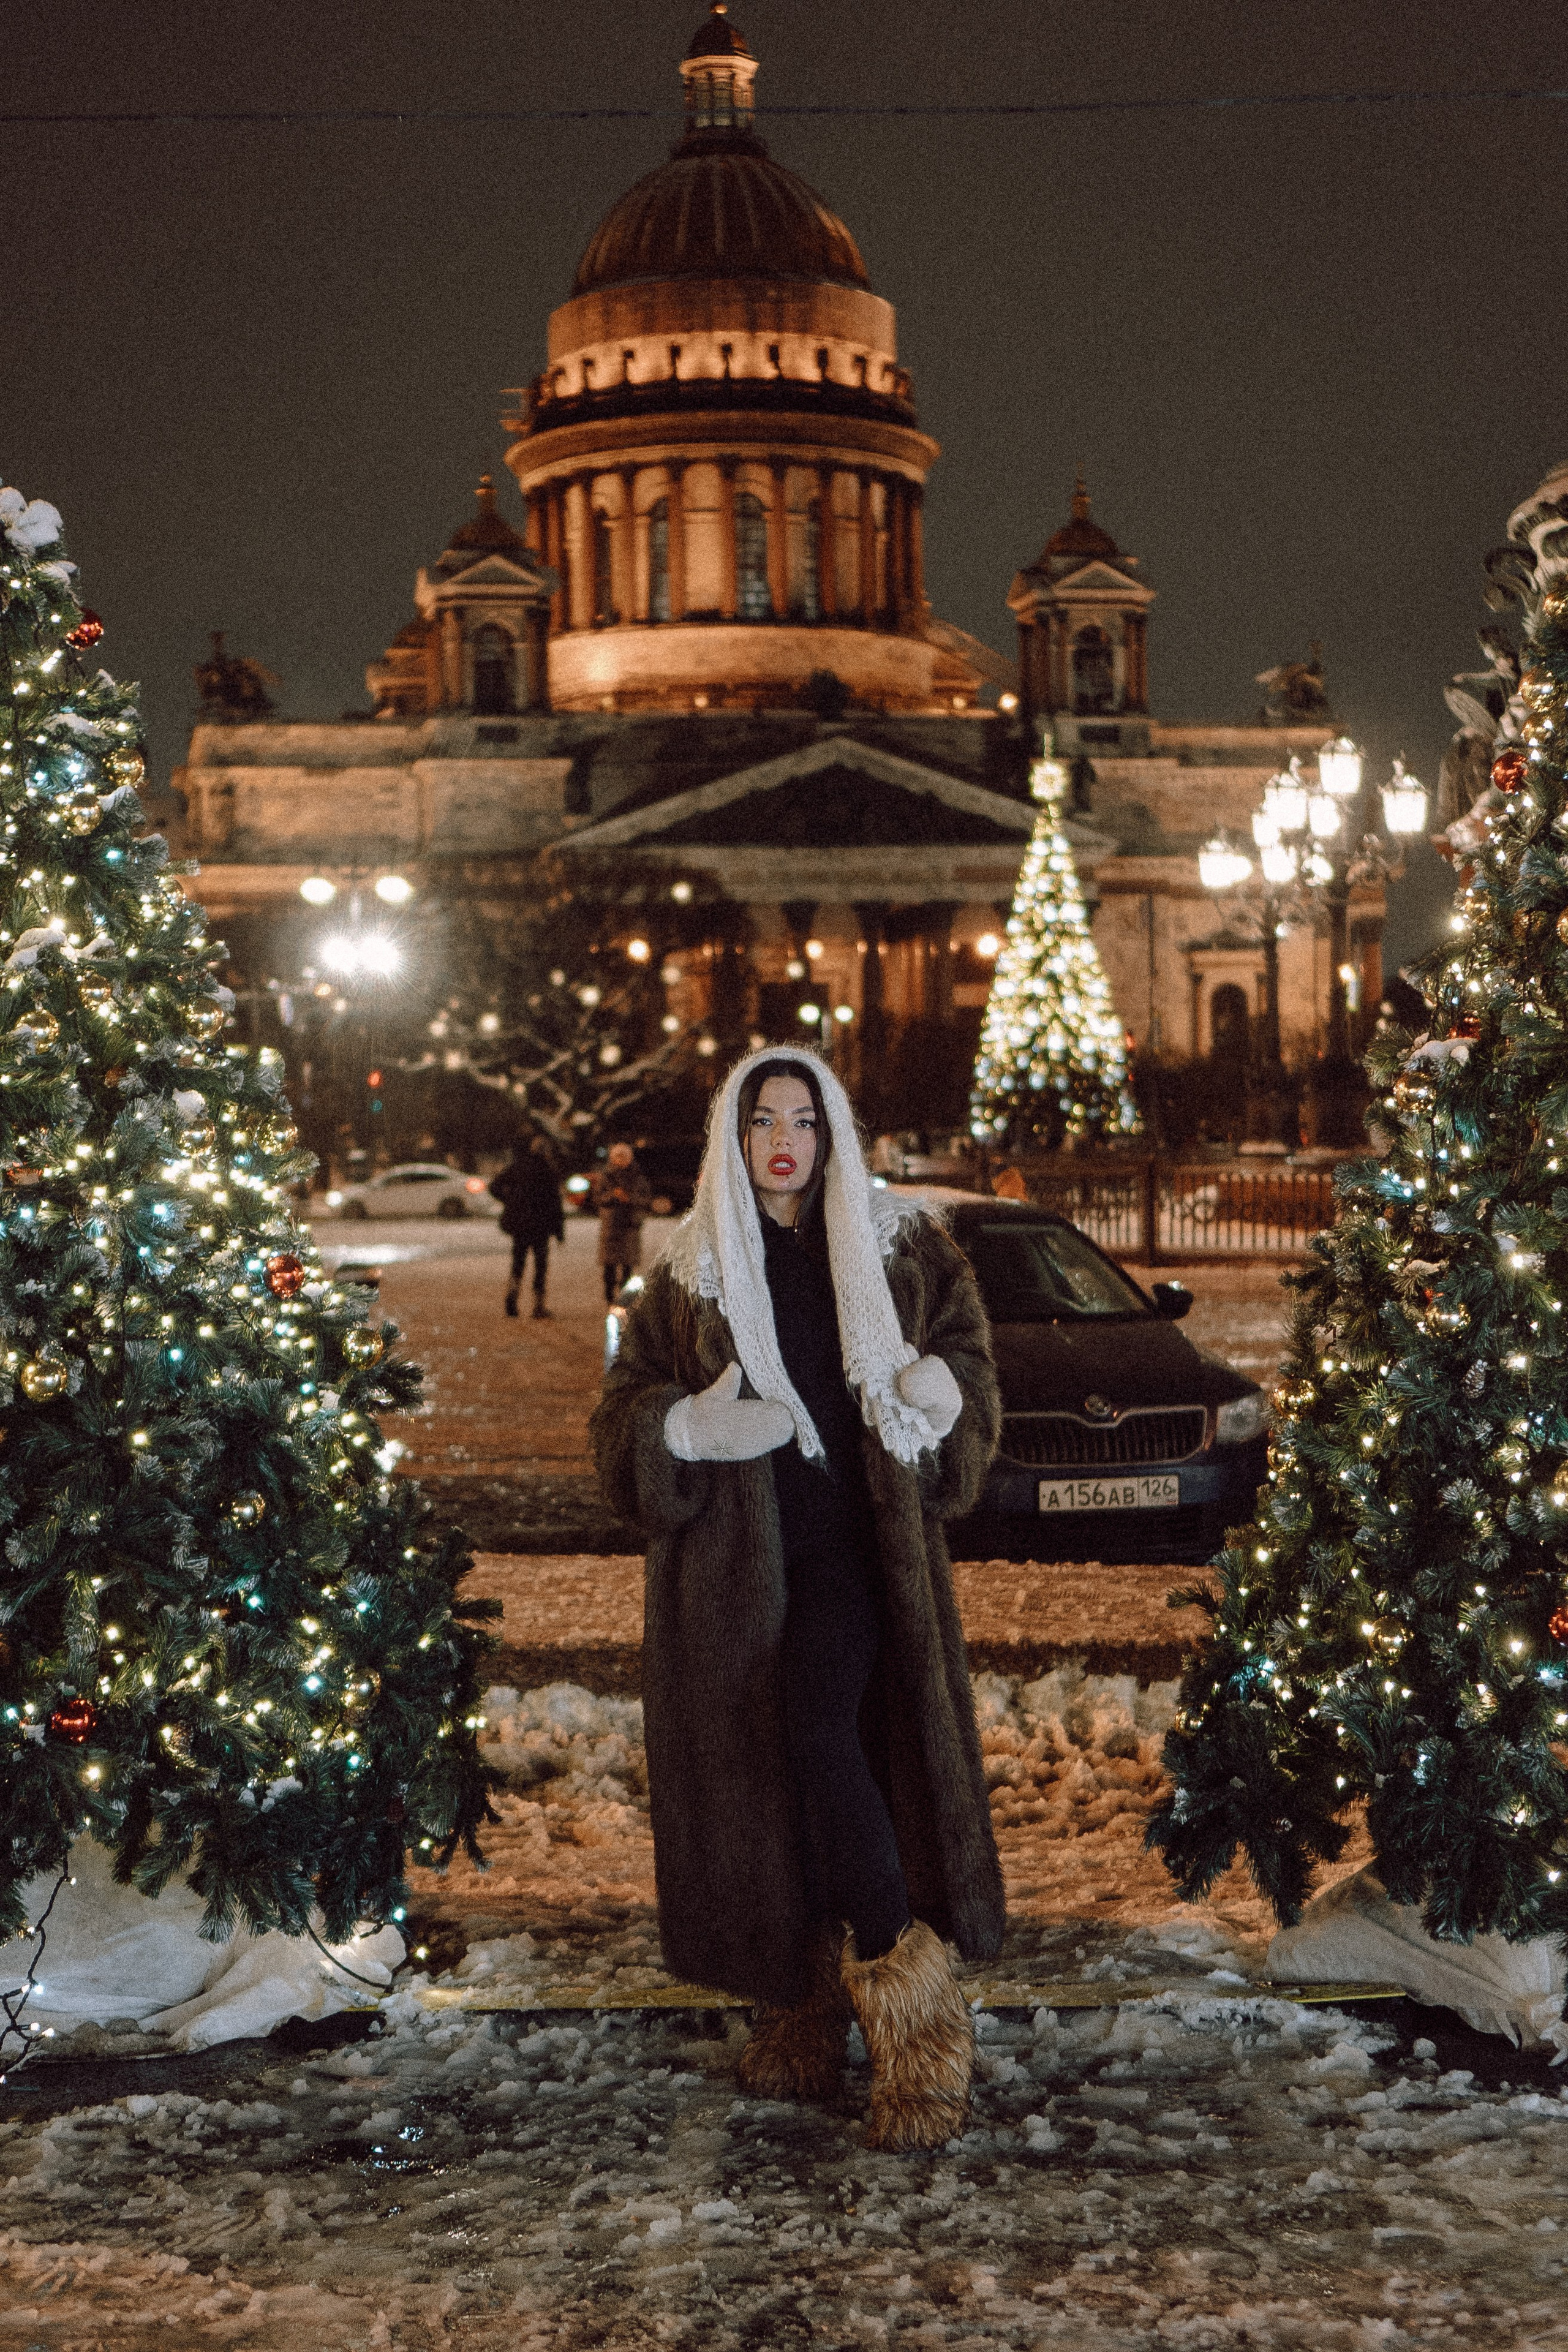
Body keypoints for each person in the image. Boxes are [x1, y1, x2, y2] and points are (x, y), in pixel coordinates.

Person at [590, 1046, 1005, 2150]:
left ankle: (917, 2019)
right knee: (775, 1779)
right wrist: (681, 1429)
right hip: (732, 1583)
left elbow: (967, 1351)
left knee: (823, 1738)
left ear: (835, 1133)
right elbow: (618, 1417)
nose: (785, 1139)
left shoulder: (899, 1247)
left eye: (806, 1118)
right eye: (764, 1117)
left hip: (862, 1561)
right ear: (734, 1134)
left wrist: (942, 1387)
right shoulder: (686, 1272)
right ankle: (801, 2011)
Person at [489, 1134, 565, 1319]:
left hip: (521, 1224)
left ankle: (512, 1299)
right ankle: (538, 1306)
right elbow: (555, 1203)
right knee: (540, 1266)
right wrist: (559, 1230)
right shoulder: (548, 1170)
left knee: (518, 1262)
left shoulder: (519, 1166)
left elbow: (494, 1186)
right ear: (546, 1152)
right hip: (541, 1225)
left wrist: (510, 1201)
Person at [592, 1141, 652, 1306]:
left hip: (630, 1226)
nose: (621, 1160)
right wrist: (612, 1195)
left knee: (628, 1265)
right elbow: (597, 1199)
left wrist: (629, 1199)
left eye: (624, 1157)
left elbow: (646, 1200)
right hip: (611, 1226)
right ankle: (609, 1295)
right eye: (618, 1157)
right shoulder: (606, 1176)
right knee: (609, 1265)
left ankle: (624, 1296)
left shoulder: (638, 1177)